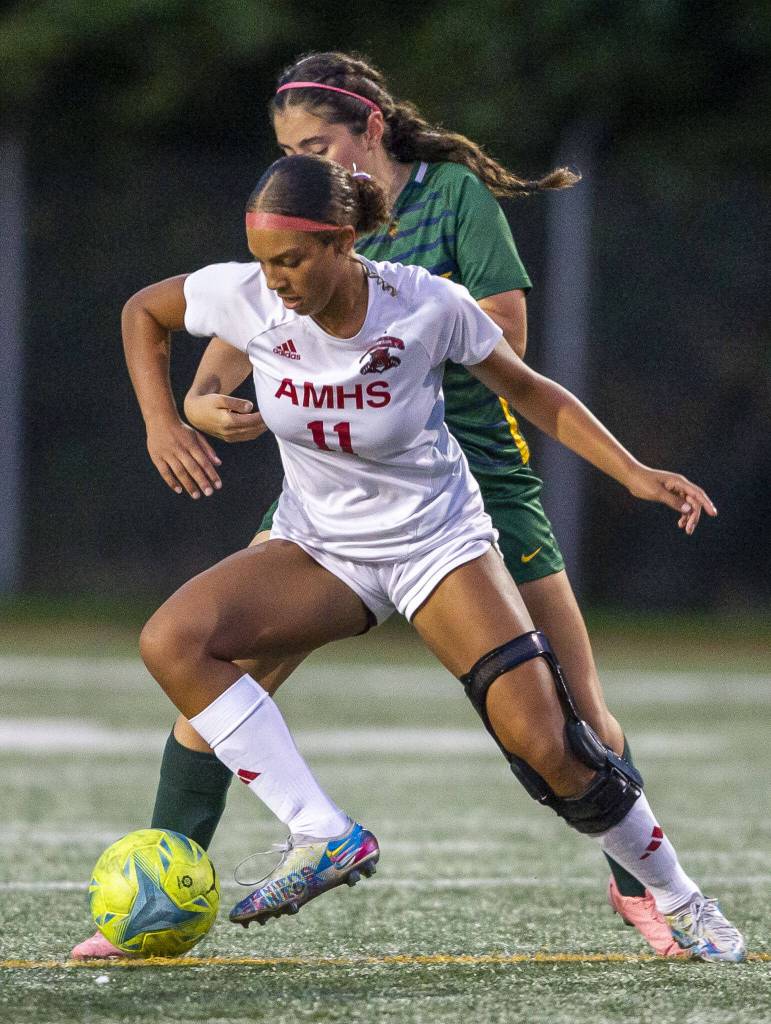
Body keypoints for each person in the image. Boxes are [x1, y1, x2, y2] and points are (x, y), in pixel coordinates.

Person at [71, 52, 699, 959]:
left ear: (369, 128)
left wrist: (374, 309)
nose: (307, 159)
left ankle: (653, 896)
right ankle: (156, 905)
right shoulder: (299, 228)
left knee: (571, 715)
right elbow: (230, 337)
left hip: (475, 481)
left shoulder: (444, 203)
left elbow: (506, 341)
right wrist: (201, 404)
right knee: (212, 680)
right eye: (289, 148)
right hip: (334, 500)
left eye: (319, 142)